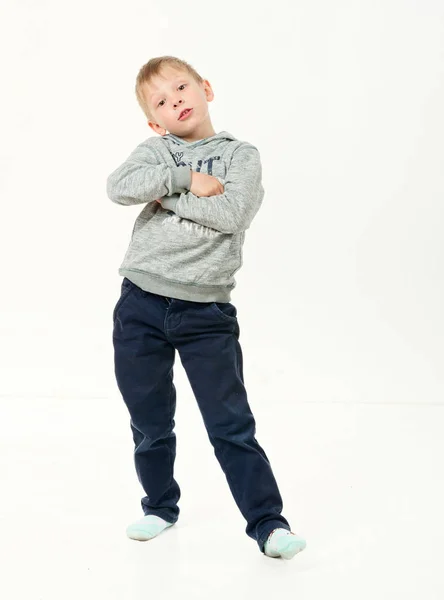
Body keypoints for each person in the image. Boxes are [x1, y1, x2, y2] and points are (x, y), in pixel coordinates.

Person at [106, 55, 307, 560]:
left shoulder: (241, 156)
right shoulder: (154, 151)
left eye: (181, 87)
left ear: (206, 88)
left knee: (230, 425)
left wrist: (165, 190)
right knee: (149, 420)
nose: (176, 100)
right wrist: (185, 180)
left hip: (205, 314)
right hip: (141, 303)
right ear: (155, 121)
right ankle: (159, 507)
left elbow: (233, 214)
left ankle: (267, 524)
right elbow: (118, 188)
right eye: (162, 100)